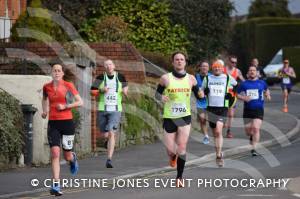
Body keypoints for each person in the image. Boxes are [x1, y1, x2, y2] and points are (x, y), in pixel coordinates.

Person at [155, 52, 201, 186]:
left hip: (184, 117)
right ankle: (173, 156)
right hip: (169, 117)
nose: (179, 61)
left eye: (182, 59)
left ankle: (179, 177)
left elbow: (199, 95)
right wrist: (161, 97)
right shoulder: (165, 78)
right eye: (177, 59)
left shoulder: (191, 79)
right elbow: (157, 94)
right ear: (173, 62)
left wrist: (202, 94)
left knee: (182, 146)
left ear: (185, 62)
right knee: (170, 150)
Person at [42, 64, 83, 196]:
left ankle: (72, 159)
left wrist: (65, 106)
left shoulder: (68, 85)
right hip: (53, 123)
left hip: (67, 123)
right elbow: (44, 99)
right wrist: (45, 110)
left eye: (59, 71)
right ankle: (56, 184)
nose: (57, 73)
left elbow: (80, 102)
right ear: (51, 73)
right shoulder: (46, 87)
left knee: (67, 155)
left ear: (62, 73)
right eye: (54, 71)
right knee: (55, 153)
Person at [91, 59, 128, 168]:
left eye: (110, 64)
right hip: (103, 109)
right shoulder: (100, 78)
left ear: (114, 65)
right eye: (106, 65)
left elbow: (126, 89)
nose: (108, 66)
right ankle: (107, 140)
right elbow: (92, 92)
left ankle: (109, 159)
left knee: (112, 133)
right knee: (105, 134)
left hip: (116, 110)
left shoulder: (121, 77)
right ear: (104, 67)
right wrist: (101, 90)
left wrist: (125, 92)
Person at [199, 60, 237, 167]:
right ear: (212, 69)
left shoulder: (228, 77)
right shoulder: (207, 78)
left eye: (219, 67)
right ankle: (218, 153)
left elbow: (236, 85)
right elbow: (200, 93)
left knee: (219, 130)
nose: (217, 69)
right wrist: (203, 93)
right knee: (215, 132)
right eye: (215, 67)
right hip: (211, 108)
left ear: (222, 68)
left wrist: (231, 95)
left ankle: (219, 156)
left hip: (222, 108)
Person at [237, 66, 271, 156]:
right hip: (247, 110)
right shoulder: (244, 84)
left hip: (258, 109)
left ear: (257, 72)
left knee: (256, 128)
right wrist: (243, 97)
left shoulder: (262, 83)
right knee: (249, 132)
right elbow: (236, 94)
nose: (252, 72)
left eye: (254, 70)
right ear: (248, 72)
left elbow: (266, 89)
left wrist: (267, 94)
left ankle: (254, 148)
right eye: (250, 70)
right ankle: (251, 137)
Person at [223, 55, 245, 138]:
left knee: (231, 114)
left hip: (232, 95)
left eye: (235, 62)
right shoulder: (223, 70)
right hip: (222, 95)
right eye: (232, 62)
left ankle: (229, 131)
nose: (234, 64)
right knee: (223, 112)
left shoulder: (237, 71)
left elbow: (243, 80)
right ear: (228, 61)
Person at [195, 61, 210, 144]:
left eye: (206, 66)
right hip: (200, 102)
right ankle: (206, 136)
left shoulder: (212, 77)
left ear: (208, 68)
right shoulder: (196, 76)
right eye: (203, 66)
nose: (204, 68)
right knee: (202, 119)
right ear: (200, 67)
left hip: (211, 102)